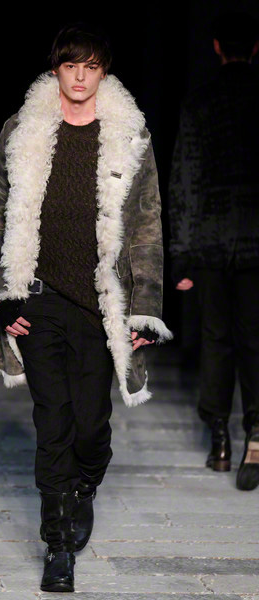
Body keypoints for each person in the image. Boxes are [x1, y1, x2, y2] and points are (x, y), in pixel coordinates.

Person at [0, 23, 172, 592]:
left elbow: (147, 227)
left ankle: (84, 487)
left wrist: (145, 309)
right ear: (55, 69)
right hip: (37, 299)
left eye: (91, 67)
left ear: (103, 72)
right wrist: (0, 295)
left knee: (90, 426)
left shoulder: (129, 135)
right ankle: (57, 545)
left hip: (101, 306)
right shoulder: (22, 130)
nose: (80, 77)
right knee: (53, 422)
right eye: (70, 66)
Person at [168, 12, 259, 492]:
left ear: (218, 47)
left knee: (216, 341)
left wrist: (181, 256)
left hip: (210, 244)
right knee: (255, 341)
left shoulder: (200, 102)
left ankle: (220, 440)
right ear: (256, 48)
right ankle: (256, 435)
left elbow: (184, 181)